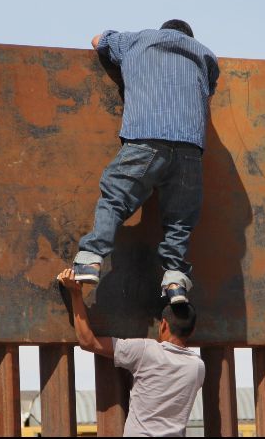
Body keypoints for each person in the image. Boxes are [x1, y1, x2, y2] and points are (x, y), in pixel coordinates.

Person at [73, 19, 220, 304]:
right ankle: (175, 281)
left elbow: (96, 40)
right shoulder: (205, 54)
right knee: (180, 221)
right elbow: (208, 93)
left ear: (163, 29)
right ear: (188, 36)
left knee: (116, 198)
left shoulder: (137, 39)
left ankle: (90, 259)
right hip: (190, 148)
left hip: (145, 137)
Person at [57, 268, 205, 437]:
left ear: (163, 325)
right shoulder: (198, 367)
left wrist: (75, 294)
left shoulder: (146, 352)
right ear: (192, 331)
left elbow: (88, 341)